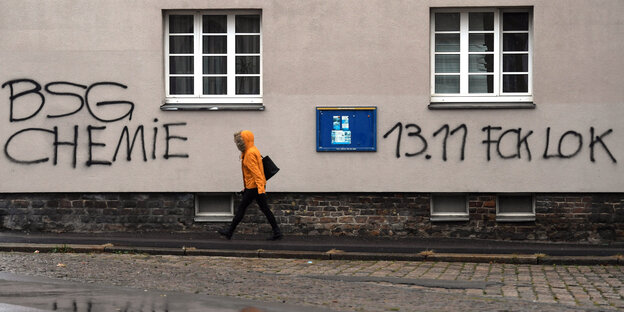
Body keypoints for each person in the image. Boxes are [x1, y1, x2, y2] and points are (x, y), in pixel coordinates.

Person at [218, 130, 283, 240]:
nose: (238, 144)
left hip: (254, 187)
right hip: (255, 186)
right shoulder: (253, 149)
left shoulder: (249, 154)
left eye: (240, 141)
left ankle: (229, 232)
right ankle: (277, 232)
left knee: (242, 209)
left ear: (245, 141)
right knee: (265, 209)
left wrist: (260, 189)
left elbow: (256, 173)